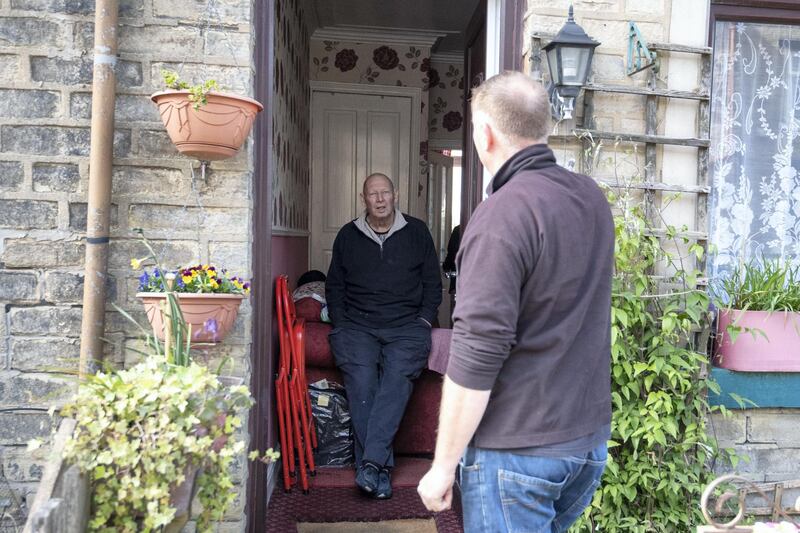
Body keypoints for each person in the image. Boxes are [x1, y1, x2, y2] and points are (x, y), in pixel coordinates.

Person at [417, 71, 614, 532]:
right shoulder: (591, 199)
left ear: (484, 134)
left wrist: (443, 465)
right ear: (543, 126)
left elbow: (478, 347)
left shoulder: (501, 216)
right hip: (584, 446)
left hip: (517, 456)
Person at [326, 172, 442, 500]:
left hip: (406, 325)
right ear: (364, 199)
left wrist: (423, 319)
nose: (379, 199)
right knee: (362, 381)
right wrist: (342, 321)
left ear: (396, 195)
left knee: (396, 379)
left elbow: (433, 283)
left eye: (385, 193)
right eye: (372, 194)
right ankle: (380, 468)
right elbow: (335, 286)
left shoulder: (417, 232)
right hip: (357, 326)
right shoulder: (348, 236)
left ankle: (371, 464)